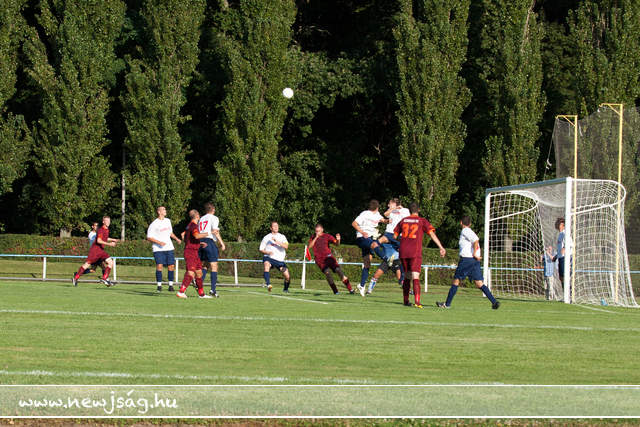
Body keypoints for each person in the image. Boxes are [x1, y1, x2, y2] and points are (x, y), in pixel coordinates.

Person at [436, 216, 499, 309]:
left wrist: (474, 253)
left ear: (461, 223)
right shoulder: (469, 231)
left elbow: (476, 240)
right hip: (474, 261)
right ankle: (494, 302)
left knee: (456, 280)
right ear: (470, 224)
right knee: (479, 283)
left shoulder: (465, 230)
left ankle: (447, 304)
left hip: (466, 260)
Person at [393, 202, 446, 307]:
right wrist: (441, 247)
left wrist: (403, 240)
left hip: (403, 251)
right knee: (415, 276)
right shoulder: (422, 221)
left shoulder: (403, 220)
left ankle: (406, 301)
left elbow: (394, 236)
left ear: (409, 210)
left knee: (407, 276)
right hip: (414, 251)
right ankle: (417, 302)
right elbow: (431, 234)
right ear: (419, 210)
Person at [351, 199, 389, 295]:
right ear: (377, 207)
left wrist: (391, 219)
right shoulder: (365, 214)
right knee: (374, 244)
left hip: (369, 239)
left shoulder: (377, 215)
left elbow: (384, 220)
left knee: (367, 263)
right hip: (362, 238)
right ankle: (386, 259)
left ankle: (362, 285)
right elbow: (354, 223)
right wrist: (362, 232)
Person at [72, 216, 119, 287]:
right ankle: (76, 277)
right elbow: (99, 240)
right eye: (106, 221)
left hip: (101, 251)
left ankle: (105, 279)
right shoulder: (101, 230)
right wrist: (109, 244)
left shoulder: (106, 230)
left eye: (109, 221)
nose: (108, 222)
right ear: (103, 222)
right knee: (87, 265)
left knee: (110, 262)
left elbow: (105, 238)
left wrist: (113, 239)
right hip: (95, 251)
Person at [308, 223, 354, 295]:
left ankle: (350, 289)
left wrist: (338, 240)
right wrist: (316, 237)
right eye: (316, 231)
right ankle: (336, 292)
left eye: (319, 231)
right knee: (328, 273)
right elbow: (309, 246)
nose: (317, 233)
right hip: (320, 260)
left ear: (322, 230)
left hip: (329, 257)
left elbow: (337, 244)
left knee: (339, 271)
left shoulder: (327, 236)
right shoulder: (313, 237)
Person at [176, 209, 211, 299]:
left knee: (199, 273)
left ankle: (201, 294)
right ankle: (181, 292)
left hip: (194, 252)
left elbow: (187, 238)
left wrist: (199, 243)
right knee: (191, 273)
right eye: (199, 215)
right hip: (190, 252)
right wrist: (209, 233)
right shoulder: (193, 226)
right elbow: (196, 236)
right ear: (197, 216)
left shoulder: (189, 226)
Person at [146, 206, 182, 292]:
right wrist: (159, 242)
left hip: (169, 247)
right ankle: (159, 286)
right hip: (158, 249)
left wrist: (176, 239)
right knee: (159, 266)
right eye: (163, 209)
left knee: (171, 266)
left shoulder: (168, 221)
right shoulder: (154, 224)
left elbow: (170, 233)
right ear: (159, 212)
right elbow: (149, 237)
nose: (165, 211)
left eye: (165, 209)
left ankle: (170, 285)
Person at [198, 202, 226, 297]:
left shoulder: (201, 219)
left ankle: (199, 285)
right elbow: (215, 231)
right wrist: (222, 243)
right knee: (214, 265)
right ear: (213, 209)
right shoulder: (214, 218)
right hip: (209, 241)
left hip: (201, 241)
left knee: (205, 265)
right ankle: (213, 290)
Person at [259, 221, 290, 293]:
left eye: (277, 226)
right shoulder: (266, 237)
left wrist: (277, 242)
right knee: (266, 265)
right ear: (271, 228)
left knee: (287, 276)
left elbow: (286, 246)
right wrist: (267, 252)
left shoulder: (282, 236)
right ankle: (268, 285)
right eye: (274, 226)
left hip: (279, 260)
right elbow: (261, 249)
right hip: (269, 257)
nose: (276, 227)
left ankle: (285, 289)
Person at [553, 217, 572, 284]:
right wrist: (556, 256)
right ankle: (565, 290)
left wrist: (564, 248)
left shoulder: (565, 233)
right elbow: (560, 248)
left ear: (562, 225)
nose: (556, 224)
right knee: (561, 277)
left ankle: (569, 290)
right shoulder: (560, 234)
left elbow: (570, 244)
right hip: (561, 258)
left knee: (565, 277)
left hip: (566, 258)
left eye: (558, 223)